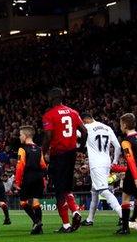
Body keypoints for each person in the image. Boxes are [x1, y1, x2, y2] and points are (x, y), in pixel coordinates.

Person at [41, 87, 87, 232]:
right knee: (67, 187)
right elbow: (84, 131)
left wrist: (42, 152)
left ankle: (67, 223)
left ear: (50, 99)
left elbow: (48, 137)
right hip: (71, 153)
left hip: (58, 154)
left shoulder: (49, 115)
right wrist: (80, 147)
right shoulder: (73, 112)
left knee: (59, 190)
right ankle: (75, 212)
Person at [79, 114, 122, 226]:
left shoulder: (87, 128)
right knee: (94, 191)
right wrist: (115, 162)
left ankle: (123, 215)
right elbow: (117, 147)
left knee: (103, 190)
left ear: (85, 120)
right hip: (106, 162)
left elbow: (75, 135)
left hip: (96, 164)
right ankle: (90, 219)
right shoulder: (107, 128)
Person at [14, 126, 47, 235]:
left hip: (28, 177)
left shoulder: (22, 149)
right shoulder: (39, 148)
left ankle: (36, 222)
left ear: (25, 136)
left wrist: (17, 182)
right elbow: (43, 165)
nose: (19, 137)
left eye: (20, 135)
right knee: (36, 201)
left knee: (23, 202)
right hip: (38, 177)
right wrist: (44, 178)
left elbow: (20, 166)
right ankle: (39, 229)